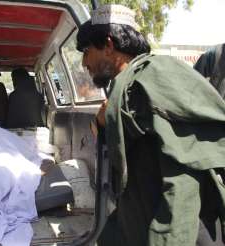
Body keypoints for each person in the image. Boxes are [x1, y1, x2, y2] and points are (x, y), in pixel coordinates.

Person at [76, 4, 225, 246]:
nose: (84, 63)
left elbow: (182, 183)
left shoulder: (149, 82)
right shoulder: (131, 85)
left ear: (109, 45)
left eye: (86, 51)